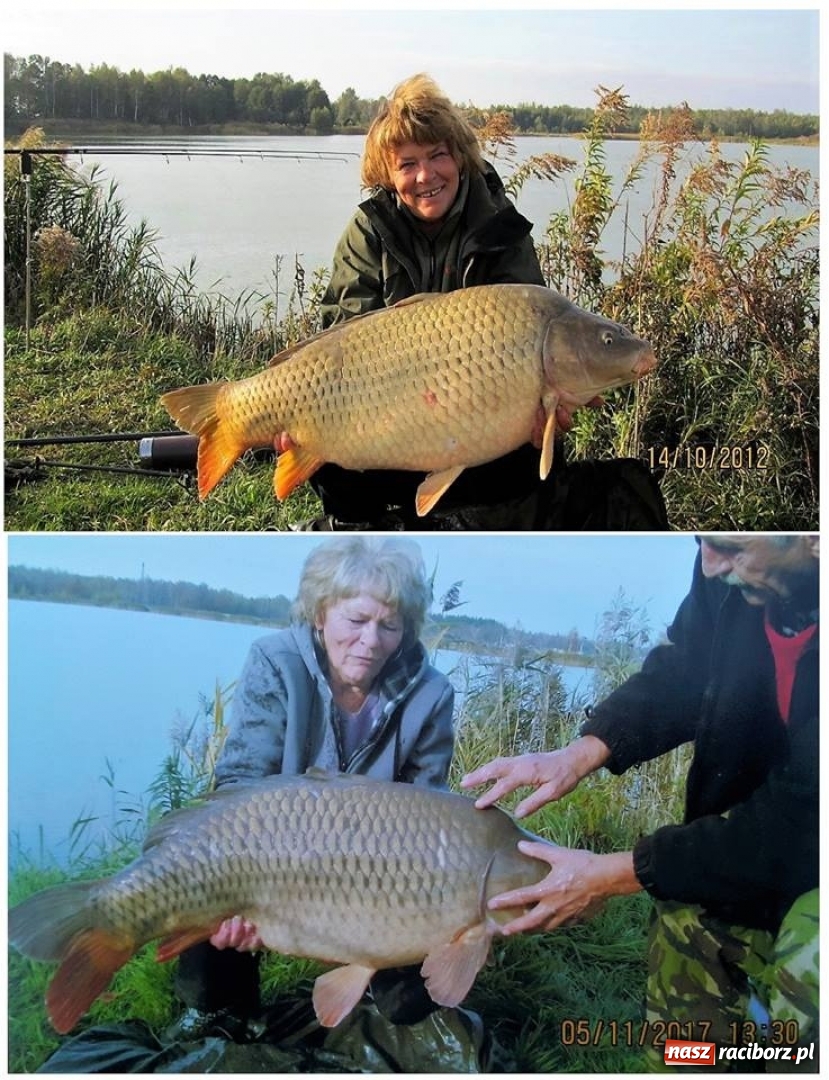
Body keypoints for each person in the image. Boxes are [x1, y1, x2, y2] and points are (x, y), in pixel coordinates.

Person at [462, 535, 819, 1065]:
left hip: (808, 852)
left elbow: (797, 821)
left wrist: (614, 873)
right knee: (684, 915)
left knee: (810, 961)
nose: (710, 564)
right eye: (702, 542)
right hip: (744, 840)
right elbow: (686, 670)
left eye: (730, 548)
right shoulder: (728, 577)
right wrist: (579, 753)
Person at [285, 73, 667, 532]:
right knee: (331, 458)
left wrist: (544, 417)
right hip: (386, 417)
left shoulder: (500, 228)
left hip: (480, 426)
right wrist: (304, 414)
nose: (425, 176)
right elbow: (342, 338)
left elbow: (528, 363)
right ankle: (374, 533)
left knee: (527, 455)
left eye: (437, 155)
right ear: (388, 173)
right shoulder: (368, 233)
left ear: (459, 157)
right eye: (407, 164)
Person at [171, 536, 456, 1045]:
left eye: (389, 626)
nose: (371, 641)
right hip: (270, 857)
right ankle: (213, 1009)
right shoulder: (275, 661)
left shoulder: (432, 694)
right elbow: (241, 781)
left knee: (412, 995)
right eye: (357, 620)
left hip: (374, 869)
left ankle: (366, 995)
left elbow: (428, 814)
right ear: (321, 613)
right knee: (207, 863)